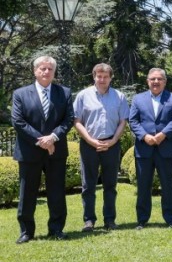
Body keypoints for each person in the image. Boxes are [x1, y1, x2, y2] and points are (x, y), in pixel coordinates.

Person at [11, 56, 74, 243]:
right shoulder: (20, 94)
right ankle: (26, 232)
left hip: (56, 152)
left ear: (54, 72)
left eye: (50, 69)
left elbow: (68, 119)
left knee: (56, 192)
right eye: (42, 68)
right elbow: (18, 121)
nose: (46, 72)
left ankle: (56, 229)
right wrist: (42, 141)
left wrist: (53, 137)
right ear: (35, 71)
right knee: (27, 193)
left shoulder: (64, 92)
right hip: (30, 151)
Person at [73, 63, 129, 232]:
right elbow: (76, 121)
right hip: (89, 145)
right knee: (88, 185)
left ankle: (110, 220)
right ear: (94, 76)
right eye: (99, 76)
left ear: (111, 78)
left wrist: (113, 141)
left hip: (111, 145)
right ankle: (89, 220)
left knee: (110, 185)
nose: (102, 79)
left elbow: (123, 121)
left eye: (105, 76)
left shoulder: (119, 96)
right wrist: (90, 140)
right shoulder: (83, 95)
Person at [129, 68, 172, 229]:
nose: (156, 82)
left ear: (165, 82)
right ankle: (142, 220)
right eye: (152, 79)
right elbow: (133, 121)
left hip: (165, 148)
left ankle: (170, 219)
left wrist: (163, 134)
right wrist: (145, 136)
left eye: (159, 79)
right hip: (144, 148)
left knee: (168, 185)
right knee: (143, 186)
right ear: (147, 81)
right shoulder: (138, 99)